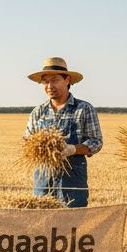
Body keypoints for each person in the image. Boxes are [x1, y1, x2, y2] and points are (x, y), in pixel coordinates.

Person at [24, 57, 102, 208]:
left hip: (73, 180)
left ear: (68, 80)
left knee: (72, 226)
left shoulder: (84, 109)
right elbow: (27, 140)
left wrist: (72, 149)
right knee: (42, 226)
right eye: (45, 81)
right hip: (43, 179)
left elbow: (96, 142)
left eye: (55, 80)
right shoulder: (38, 112)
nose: (49, 86)